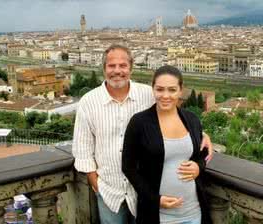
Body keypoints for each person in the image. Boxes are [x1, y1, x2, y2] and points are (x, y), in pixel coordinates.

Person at [72, 45, 213, 224]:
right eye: (111, 66)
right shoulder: (88, 102)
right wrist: (97, 184)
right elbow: (83, 151)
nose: (117, 71)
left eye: (122, 66)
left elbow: (174, 116)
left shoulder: (148, 94)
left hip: (148, 189)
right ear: (103, 69)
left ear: (131, 68)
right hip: (110, 190)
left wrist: (202, 134)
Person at [122, 65, 212, 224]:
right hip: (158, 215)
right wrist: (155, 200)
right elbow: (128, 168)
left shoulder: (191, 119)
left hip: (193, 212)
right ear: (153, 89)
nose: (165, 95)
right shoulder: (139, 122)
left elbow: (201, 154)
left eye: (172, 90)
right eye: (160, 89)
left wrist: (199, 166)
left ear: (180, 90)